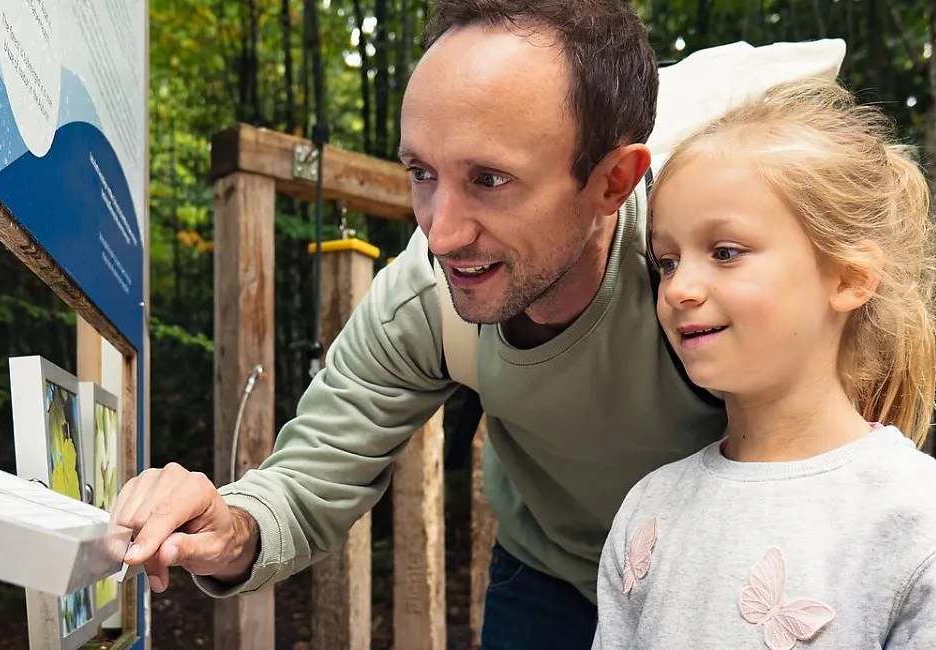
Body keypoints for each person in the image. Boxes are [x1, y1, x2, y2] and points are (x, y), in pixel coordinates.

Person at [111, 0, 726, 646]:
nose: (440, 234)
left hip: (718, 574)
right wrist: (229, 526)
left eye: (489, 179)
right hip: (550, 577)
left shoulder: (706, 278)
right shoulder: (424, 298)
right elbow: (310, 478)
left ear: (613, 182)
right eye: (422, 174)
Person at [589, 77, 936, 649]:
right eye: (668, 261)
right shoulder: (649, 508)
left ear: (849, 279)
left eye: (725, 252)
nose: (679, 289)